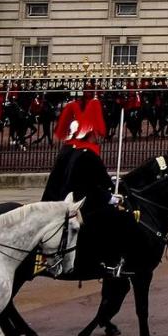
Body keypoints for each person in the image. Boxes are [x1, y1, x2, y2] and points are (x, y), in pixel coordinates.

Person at [42, 106, 123, 276]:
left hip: (59, 200)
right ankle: (103, 261)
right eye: (95, 134)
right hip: (78, 203)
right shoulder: (87, 154)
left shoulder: (71, 149)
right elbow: (93, 186)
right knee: (111, 219)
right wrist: (110, 197)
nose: (97, 138)